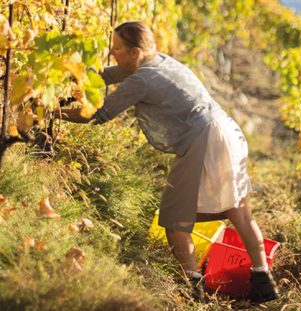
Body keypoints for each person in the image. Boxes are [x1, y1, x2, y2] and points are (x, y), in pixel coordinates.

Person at [55, 21, 279, 303]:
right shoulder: (159, 61)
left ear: (135, 52)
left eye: (116, 49)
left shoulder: (142, 79)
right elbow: (104, 76)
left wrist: (52, 113)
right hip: (227, 131)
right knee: (239, 210)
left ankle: (192, 286)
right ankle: (263, 279)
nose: (111, 53)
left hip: (204, 139)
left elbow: (98, 114)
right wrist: (68, 85)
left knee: (175, 216)